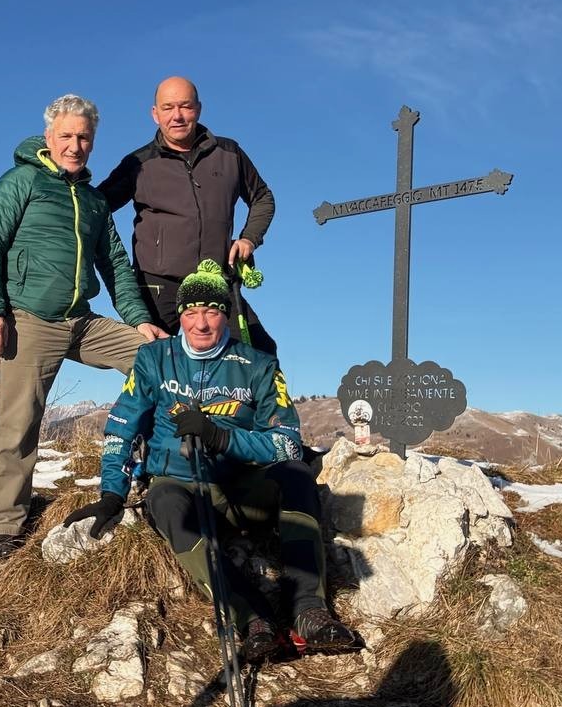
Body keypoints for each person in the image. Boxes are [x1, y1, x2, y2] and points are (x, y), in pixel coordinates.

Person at [64, 261, 357, 663]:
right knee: (163, 501)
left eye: (212, 311)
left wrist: (221, 438)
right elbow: (121, 427)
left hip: (242, 487)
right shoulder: (153, 359)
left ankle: (308, 609)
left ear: (226, 315)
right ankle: (252, 618)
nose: (201, 323)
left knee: (296, 477)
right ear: (181, 315)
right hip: (180, 484)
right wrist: (111, 493)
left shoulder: (258, 365)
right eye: (191, 312)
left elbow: (287, 444)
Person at [0, 94, 167, 559]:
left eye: (83, 137)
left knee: (156, 358)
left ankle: (153, 469)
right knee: (17, 425)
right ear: (49, 138)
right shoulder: (22, 181)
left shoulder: (95, 201)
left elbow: (116, 265)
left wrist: (139, 322)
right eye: (67, 136)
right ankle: (1, 528)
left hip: (82, 321)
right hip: (29, 319)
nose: (75, 145)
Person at [99, 76, 278, 354]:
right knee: (157, 363)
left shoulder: (229, 153)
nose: (177, 116)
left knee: (258, 353)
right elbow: (95, 207)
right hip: (157, 286)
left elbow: (262, 198)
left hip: (216, 279)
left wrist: (249, 239)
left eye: (185, 106)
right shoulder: (139, 163)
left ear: (199, 109)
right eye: (168, 107)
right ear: (155, 114)